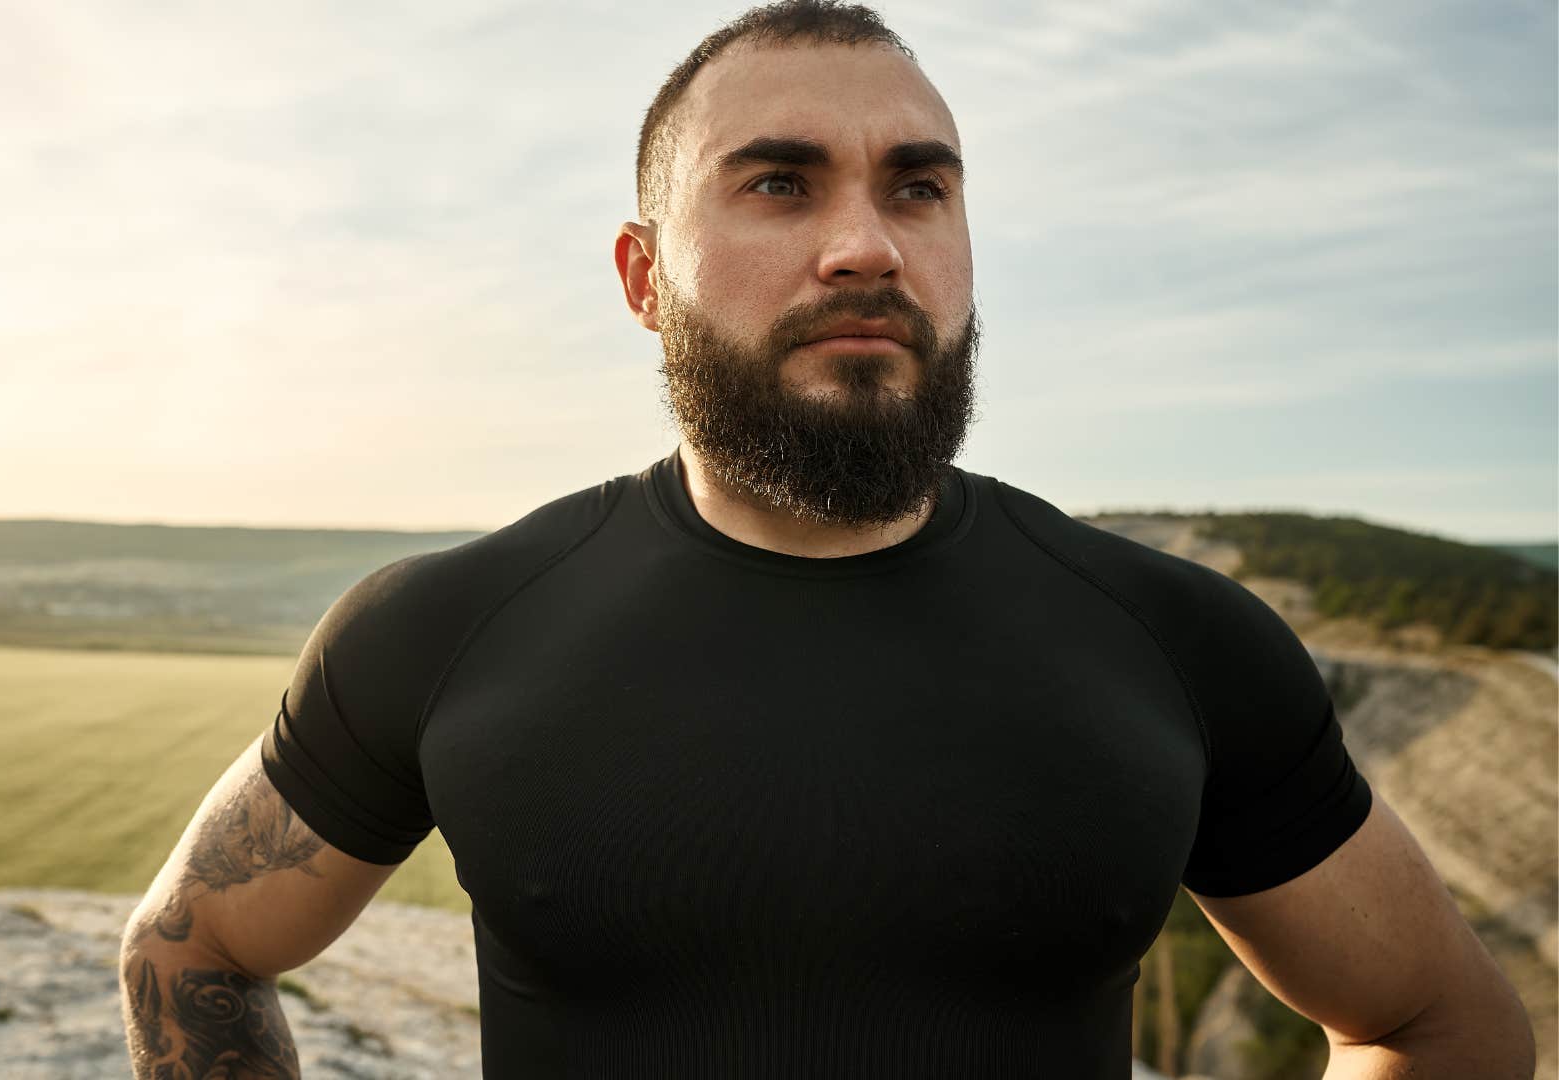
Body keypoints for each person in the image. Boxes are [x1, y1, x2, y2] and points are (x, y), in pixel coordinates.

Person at [119, 3, 1536, 1077]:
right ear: (642, 275)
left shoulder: (1176, 640)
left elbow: (1439, 1015)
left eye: (918, 187)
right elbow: (194, 951)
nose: (867, 244)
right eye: (779, 183)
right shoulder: (445, 628)